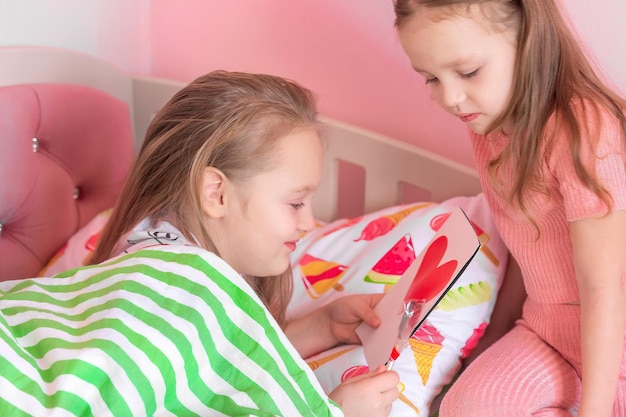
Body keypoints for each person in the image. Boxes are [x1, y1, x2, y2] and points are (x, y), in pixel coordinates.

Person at [0, 71, 399, 416]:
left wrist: (315, 329)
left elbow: (185, 370)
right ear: (216, 193)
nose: (310, 223)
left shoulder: (146, 239)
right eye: (295, 202)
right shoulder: (187, 277)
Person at [393, 0, 626, 416]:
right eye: (431, 78)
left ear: (528, 41)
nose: (451, 98)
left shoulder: (582, 129)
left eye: (467, 72)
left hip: (613, 341)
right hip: (545, 331)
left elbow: (604, 289)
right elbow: (526, 242)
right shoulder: (488, 122)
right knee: (461, 408)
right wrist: (491, 338)